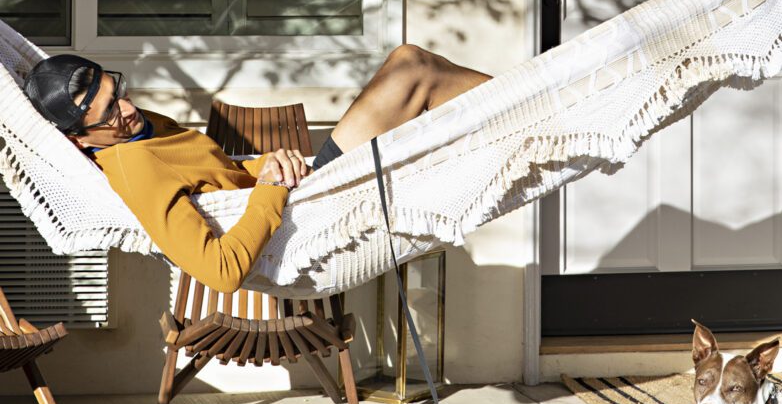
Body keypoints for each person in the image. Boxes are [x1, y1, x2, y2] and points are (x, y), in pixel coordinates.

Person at [23, 46, 491, 294]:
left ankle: (522, 109)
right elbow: (220, 271)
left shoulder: (141, 130)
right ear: (78, 139)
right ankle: (532, 103)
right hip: (306, 222)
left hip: (302, 190)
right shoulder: (134, 168)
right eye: (109, 113)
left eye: (117, 91)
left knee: (414, 70)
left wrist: (261, 166)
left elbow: (218, 177)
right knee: (410, 69)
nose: (127, 109)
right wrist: (269, 188)